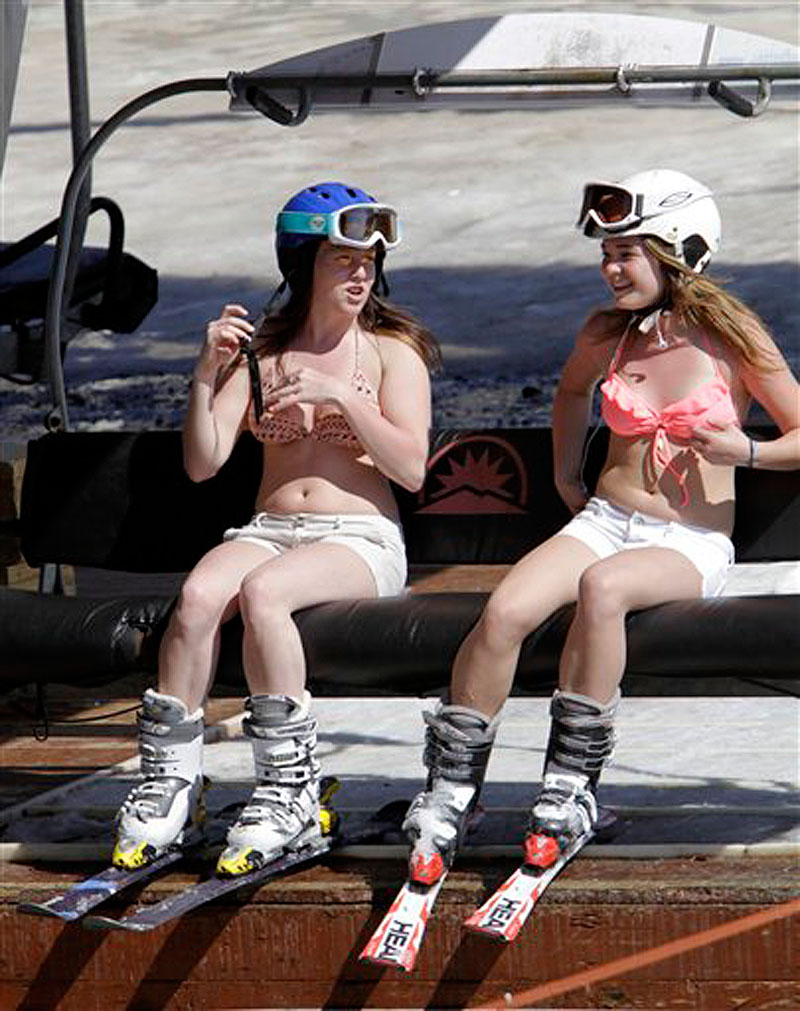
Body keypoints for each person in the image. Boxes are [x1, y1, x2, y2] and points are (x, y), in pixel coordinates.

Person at [403, 168, 800, 884]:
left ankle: (568, 786)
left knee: (603, 588)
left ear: (678, 247)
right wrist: (564, 472)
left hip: (687, 541)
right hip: (604, 518)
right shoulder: (605, 333)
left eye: (626, 252)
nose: (610, 268)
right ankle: (451, 788)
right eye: (606, 254)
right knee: (505, 609)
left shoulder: (732, 333)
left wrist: (745, 449)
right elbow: (571, 392)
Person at [113, 181, 440, 874]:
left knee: (263, 593)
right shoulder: (265, 353)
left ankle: (288, 787)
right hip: (269, 527)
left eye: (369, 260)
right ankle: (171, 783)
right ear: (303, 263)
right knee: (199, 597)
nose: (361, 272)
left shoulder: (390, 351)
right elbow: (204, 463)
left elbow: (411, 468)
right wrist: (205, 377)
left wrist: (341, 402)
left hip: (358, 538)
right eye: (342, 259)